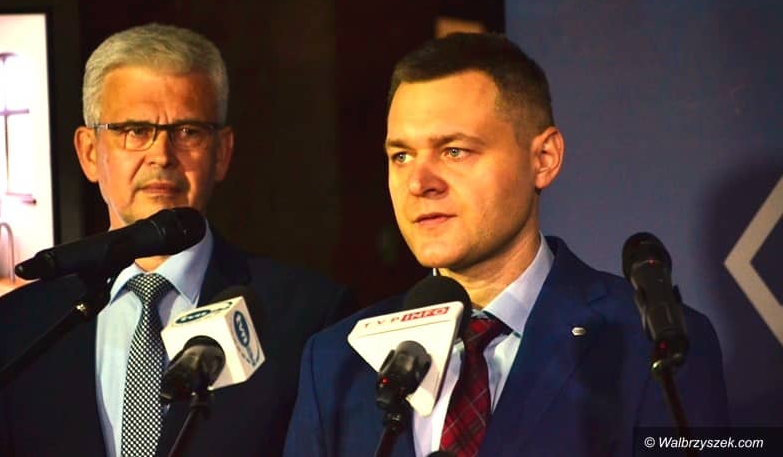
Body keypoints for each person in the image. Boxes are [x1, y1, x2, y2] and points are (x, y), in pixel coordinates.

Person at [283, 33, 729, 456]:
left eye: (454, 151)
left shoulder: (651, 345)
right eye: (401, 156)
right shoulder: (336, 363)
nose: (419, 182)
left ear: (544, 159)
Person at [0, 23, 354, 457]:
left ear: (222, 153)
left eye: (188, 131)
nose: (161, 155)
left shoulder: (308, 317)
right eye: (135, 130)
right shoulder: (15, 331)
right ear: (89, 152)